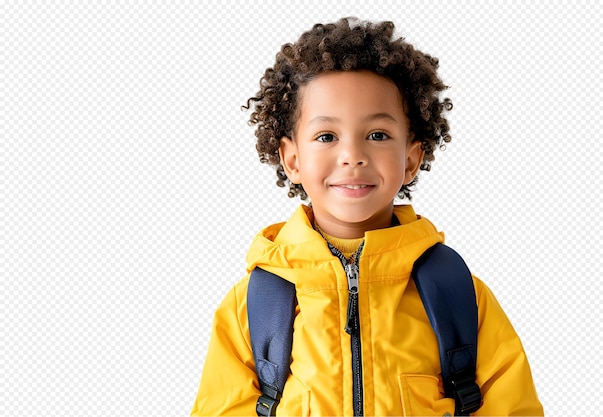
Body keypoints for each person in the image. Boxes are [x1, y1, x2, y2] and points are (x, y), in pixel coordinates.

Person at [191, 17, 543, 416]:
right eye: (327, 137)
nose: (352, 154)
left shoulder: (458, 295)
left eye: (377, 135)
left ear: (411, 159)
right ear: (292, 159)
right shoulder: (255, 304)